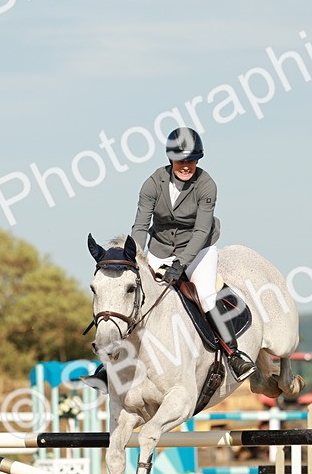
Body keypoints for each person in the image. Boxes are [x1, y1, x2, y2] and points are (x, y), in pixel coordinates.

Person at [82, 128, 255, 393]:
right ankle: (110, 367)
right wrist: (134, 258)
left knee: (207, 295)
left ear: (198, 160)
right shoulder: (153, 182)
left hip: (198, 250)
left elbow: (200, 231)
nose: (186, 166)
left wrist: (181, 265)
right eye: (181, 160)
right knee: (138, 300)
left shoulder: (206, 184)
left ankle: (234, 354)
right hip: (160, 249)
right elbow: (140, 224)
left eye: (192, 161)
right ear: (171, 159)